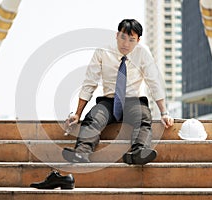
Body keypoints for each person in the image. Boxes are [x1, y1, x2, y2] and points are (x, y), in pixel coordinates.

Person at [62, 19, 174, 165]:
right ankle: (81, 153)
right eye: (123, 38)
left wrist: (164, 113)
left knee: (144, 118)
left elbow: (154, 83)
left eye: (131, 40)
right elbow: (90, 83)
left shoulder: (143, 52)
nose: (126, 44)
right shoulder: (102, 51)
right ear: (117, 35)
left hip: (134, 101)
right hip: (109, 101)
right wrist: (77, 113)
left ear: (138, 40)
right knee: (93, 118)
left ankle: (139, 152)